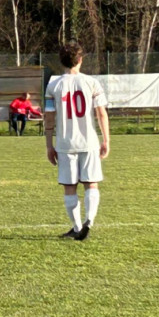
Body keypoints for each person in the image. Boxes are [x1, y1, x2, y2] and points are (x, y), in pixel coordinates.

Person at [44, 41, 109, 241]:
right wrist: (106, 140)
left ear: (61, 61)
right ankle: (89, 220)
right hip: (89, 142)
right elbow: (101, 113)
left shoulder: (53, 85)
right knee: (91, 183)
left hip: (65, 144)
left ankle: (77, 226)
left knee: (69, 186)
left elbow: (49, 117)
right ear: (80, 60)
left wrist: (49, 145)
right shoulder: (91, 82)